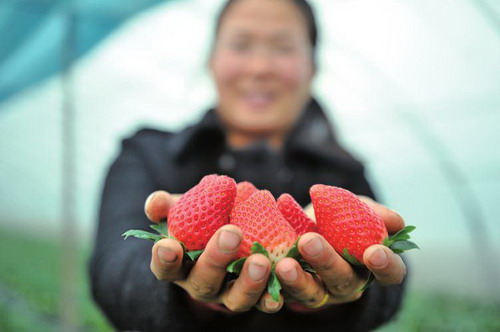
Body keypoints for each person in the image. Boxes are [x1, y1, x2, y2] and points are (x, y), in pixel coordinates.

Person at [89, 0, 409, 330]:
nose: (259, 67)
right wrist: (185, 290)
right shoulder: (148, 152)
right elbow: (113, 270)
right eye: (240, 45)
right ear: (211, 60)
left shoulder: (343, 169)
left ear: (312, 68)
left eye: (283, 48)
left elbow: (395, 279)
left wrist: (350, 288)